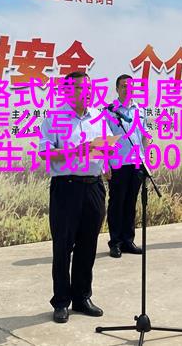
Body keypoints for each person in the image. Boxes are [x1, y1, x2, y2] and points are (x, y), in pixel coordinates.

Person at [39, 71, 110, 323]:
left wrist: (107, 157)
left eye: (90, 88)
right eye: (81, 88)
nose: (87, 92)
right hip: (66, 188)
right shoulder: (54, 118)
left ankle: (82, 297)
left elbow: (104, 147)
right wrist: (75, 151)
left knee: (88, 245)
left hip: (94, 187)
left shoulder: (99, 117)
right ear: (68, 91)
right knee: (63, 247)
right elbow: (45, 153)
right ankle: (61, 302)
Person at [106, 74, 150, 258]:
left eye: (130, 86)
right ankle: (115, 242)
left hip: (136, 163)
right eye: (123, 86)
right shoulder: (110, 111)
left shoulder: (140, 110)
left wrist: (146, 160)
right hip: (118, 164)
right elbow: (105, 140)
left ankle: (128, 240)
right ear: (117, 89)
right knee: (117, 204)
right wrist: (106, 164)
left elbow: (145, 136)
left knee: (131, 203)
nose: (127, 89)